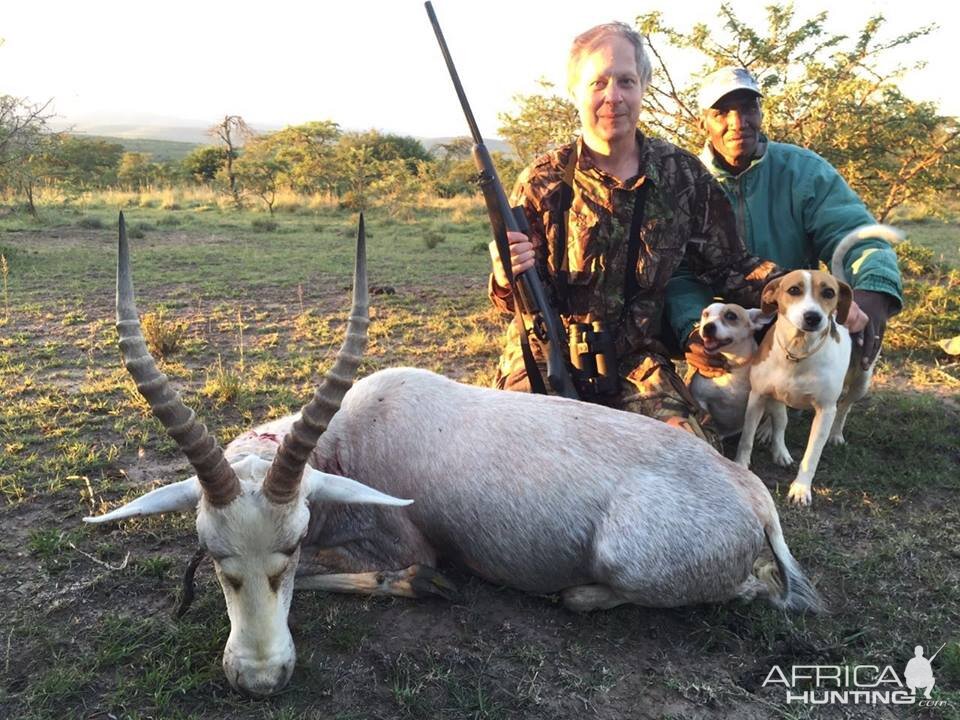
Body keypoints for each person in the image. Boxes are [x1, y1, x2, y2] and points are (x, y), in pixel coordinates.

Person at [488, 24, 780, 446]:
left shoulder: (682, 175)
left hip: (635, 362)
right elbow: (506, 300)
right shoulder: (540, 180)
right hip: (545, 351)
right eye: (598, 83)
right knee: (508, 454)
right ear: (575, 92)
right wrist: (503, 273)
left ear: (643, 86)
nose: (613, 97)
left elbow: (731, 267)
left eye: (626, 81)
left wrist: (799, 293)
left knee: (690, 457)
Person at [670, 67, 903, 372]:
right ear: (703, 121)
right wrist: (691, 325)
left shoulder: (804, 171)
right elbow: (677, 273)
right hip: (724, 332)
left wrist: (874, 290)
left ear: (761, 112)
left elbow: (856, 235)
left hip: (795, 318)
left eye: (748, 109)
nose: (738, 123)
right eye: (722, 112)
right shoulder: (684, 182)